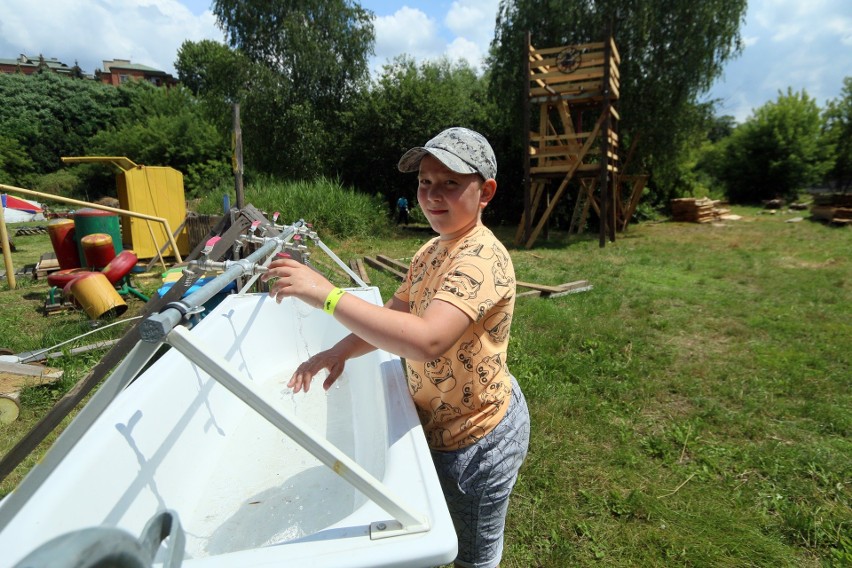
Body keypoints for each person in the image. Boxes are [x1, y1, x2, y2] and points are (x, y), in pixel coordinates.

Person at [261, 127, 530, 568]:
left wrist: (327, 295)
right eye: (425, 181)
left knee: (473, 554)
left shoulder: (481, 257)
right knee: (443, 524)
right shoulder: (430, 251)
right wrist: (338, 353)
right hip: (440, 425)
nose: (432, 194)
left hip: (479, 439)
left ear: (486, 192)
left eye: (450, 182)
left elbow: (425, 340)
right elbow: (396, 314)